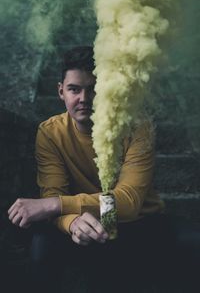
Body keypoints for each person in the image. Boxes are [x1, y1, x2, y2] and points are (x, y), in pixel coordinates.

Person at [7, 46, 198, 293]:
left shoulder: (137, 126)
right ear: (61, 91)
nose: (84, 99)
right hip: (85, 223)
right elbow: (52, 192)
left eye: (94, 89)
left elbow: (128, 202)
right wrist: (72, 221)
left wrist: (56, 205)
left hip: (137, 223)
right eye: (74, 89)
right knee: (41, 243)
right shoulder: (50, 132)